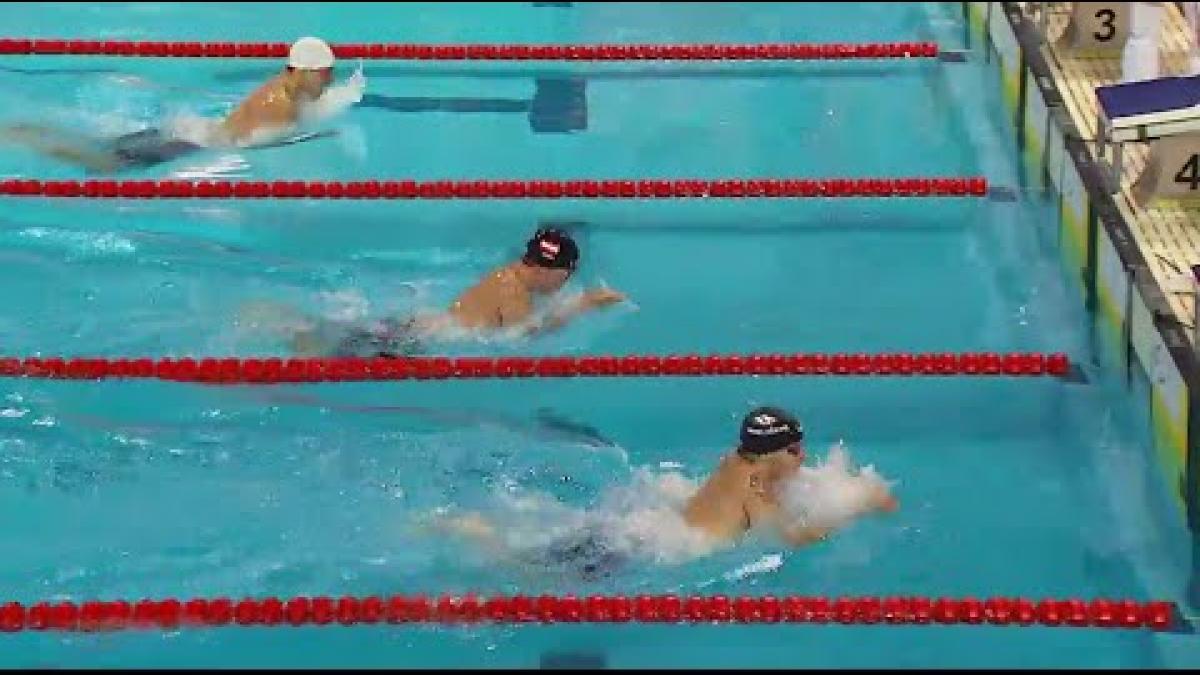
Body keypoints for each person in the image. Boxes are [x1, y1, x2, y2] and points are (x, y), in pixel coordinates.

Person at [433, 405, 899, 581]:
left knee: (544, 551)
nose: (803, 456)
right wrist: (857, 506)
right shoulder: (756, 488)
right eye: (795, 448)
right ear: (774, 452)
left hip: (644, 527)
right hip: (644, 552)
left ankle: (477, 529)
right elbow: (790, 539)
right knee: (532, 576)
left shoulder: (735, 462)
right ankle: (472, 532)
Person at [0, 36, 361, 173]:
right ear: (299, 72)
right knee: (103, 164)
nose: (328, 82)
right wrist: (316, 137)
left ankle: (24, 131)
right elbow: (262, 145)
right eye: (324, 76)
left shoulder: (285, 89)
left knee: (100, 148)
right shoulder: (282, 107)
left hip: (186, 132)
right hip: (188, 144)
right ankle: (25, 137)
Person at [264, 227, 626, 357]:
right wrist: (582, 306)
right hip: (411, 342)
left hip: (412, 329)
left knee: (323, 341)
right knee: (316, 353)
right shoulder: (513, 291)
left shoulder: (508, 276)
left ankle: (282, 326)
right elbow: (521, 339)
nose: (565, 282)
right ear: (550, 272)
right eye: (566, 274)